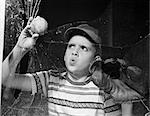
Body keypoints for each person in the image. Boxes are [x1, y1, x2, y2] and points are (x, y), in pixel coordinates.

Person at [2, 17, 142, 116]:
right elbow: (5, 79)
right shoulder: (51, 80)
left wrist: (127, 104)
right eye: (71, 46)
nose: (74, 51)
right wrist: (20, 48)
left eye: (83, 48)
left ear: (95, 59)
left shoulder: (103, 92)